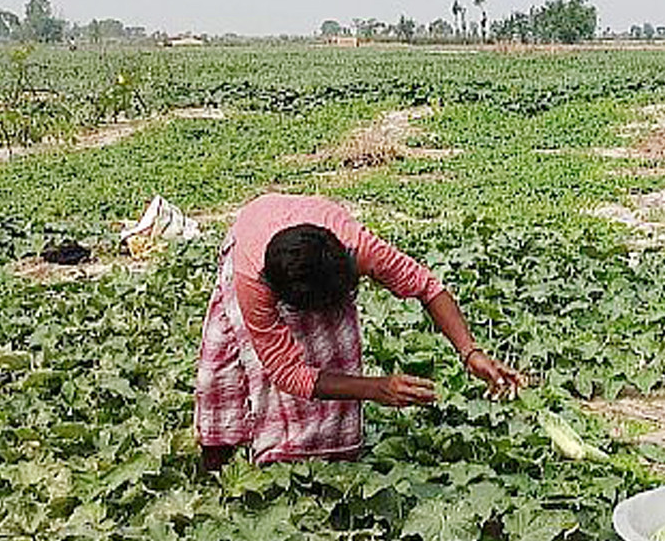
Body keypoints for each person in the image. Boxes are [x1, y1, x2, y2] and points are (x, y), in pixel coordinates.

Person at [195, 193, 524, 470]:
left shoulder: (358, 248)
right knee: (229, 372)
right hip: (254, 238)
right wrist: (375, 388)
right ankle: (221, 468)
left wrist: (471, 352)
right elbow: (287, 372)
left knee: (330, 351)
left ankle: (325, 462)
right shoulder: (255, 281)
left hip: (303, 235)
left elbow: (427, 287)